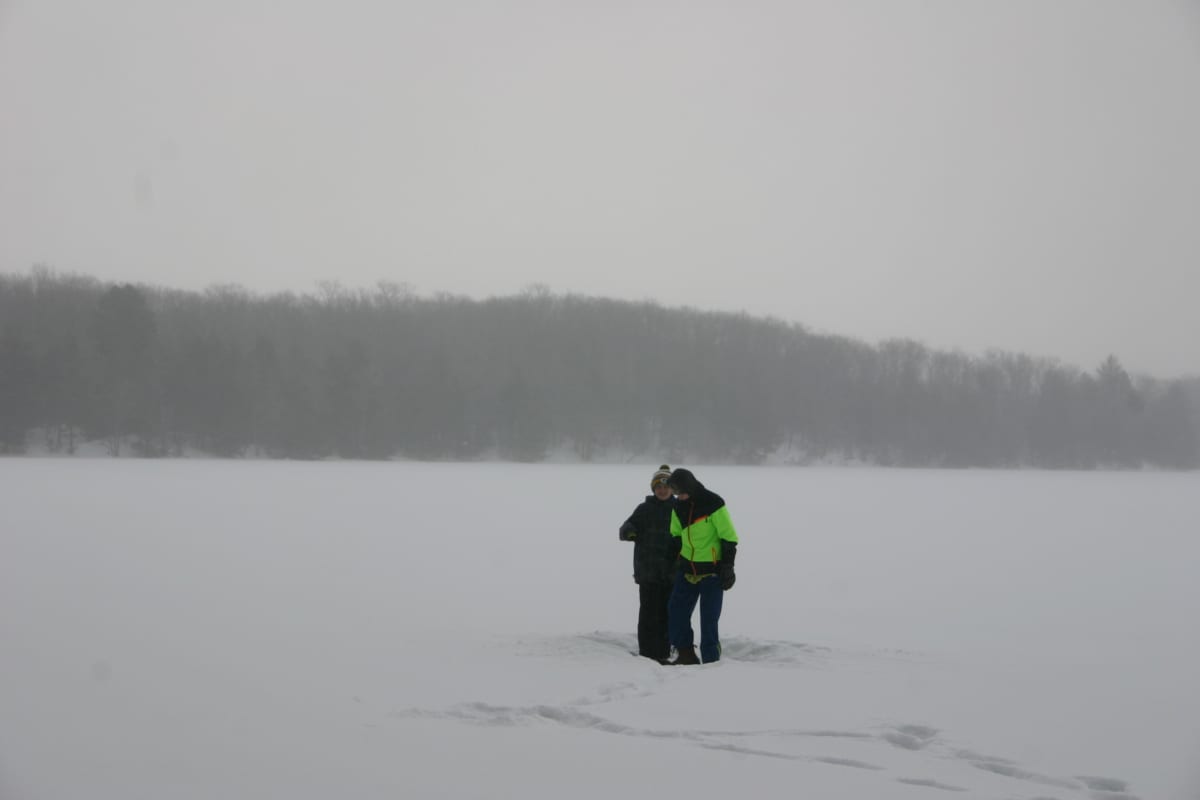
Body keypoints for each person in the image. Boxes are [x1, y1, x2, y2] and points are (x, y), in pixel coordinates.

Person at [665, 468, 738, 665]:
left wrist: (728, 567)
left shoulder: (713, 503)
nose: (678, 497)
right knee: (676, 611)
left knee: (709, 619)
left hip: (712, 572)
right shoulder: (678, 507)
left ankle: (711, 660)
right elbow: (675, 536)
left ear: (689, 486)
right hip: (687, 570)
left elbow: (729, 537)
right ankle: (685, 654)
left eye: (681, 493)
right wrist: (671, 562)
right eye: (676, 494)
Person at [618, 464, 680, 663]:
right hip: (648, 572)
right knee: (647, 614)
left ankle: (665, 650)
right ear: (654, 489)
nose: (662, 490)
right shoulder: (644, 509)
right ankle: (646, 653)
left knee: (668, 613)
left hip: (672, 572)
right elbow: (626, 528)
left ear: (673, 489)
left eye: (666, 487)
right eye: (658, 487)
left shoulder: (680, 508)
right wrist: (630, 531)